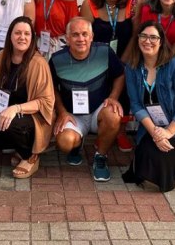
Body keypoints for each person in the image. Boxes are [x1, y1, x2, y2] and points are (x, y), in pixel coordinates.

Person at [122, 21, 175, 192]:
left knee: (161, 158)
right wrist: (156, 133)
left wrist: (168, 132)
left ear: (161, 41)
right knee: (143, 157)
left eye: (153, 37)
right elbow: (135, 104)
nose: (147, 41)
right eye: (143, 36)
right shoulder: (132, 67)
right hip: (153, 126)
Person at [0, 16, 55, 179]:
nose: (22, 37)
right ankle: (19, 146)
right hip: (6, 114)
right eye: (17, 33)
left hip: (31, 117)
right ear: (10, 36)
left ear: (32, 38)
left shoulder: (38, 63)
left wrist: (16, 108)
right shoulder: (2, 56)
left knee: (11, 124)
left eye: (26, 34)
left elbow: (45, 102)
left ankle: (29, 155)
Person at [50, 17, 125, 182]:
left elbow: (120, 75)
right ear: (67, 38)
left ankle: (101, 157)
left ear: (92, 37)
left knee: (113, 115)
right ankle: (77, 145)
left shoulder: (105, 52)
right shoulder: (56, 59)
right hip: (73, 114)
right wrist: (62, 112)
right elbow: (52, 88)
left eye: (85, 34)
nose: (81, 39)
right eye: (75, 35)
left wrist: (113, 97)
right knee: (64, 142)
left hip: (99, 110)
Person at [80, 0, 142, 152]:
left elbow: (136, 34)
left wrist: (122, 61)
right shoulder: (89, 2)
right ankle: (104, 132)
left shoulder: (135, 0)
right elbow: (85, 37)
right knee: (101, 91)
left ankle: (120, 131)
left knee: (125, 86)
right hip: (98, 57)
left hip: (126, 56)